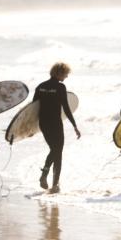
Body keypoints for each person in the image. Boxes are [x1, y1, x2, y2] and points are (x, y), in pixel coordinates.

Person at [35, 62, 81, 193]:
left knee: (54, 149)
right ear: (60, 73)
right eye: (65, 74)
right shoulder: (60, 87)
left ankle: (45, 175)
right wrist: (74, 125)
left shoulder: (40, 86)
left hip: (44, 123)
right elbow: (66, 108)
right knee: (57, 152)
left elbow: (33, 109)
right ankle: (54, 184)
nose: (66, 76)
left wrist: (30, 128)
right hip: (55, 123)